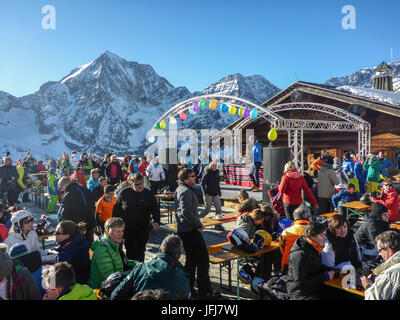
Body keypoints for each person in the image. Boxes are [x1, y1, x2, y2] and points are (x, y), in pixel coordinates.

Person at [173, 168, 220, 299]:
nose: (195, 178)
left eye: (194, 176)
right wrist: (198, 225)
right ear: (185, 179)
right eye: (192, 176)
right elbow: (185, 212)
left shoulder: (181, 189)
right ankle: (205, 291)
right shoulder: (186, 191)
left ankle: (189, 289)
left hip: (185, 230)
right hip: (189, 231)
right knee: (203, 260)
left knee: (191, 261)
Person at [111, 235, 191, 300]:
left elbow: (115, 295)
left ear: (160, 250)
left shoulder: (140, 268)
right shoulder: (184, 279)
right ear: (180, 255)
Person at [112, 173, 160, 262]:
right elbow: (116, 210)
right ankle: (132, 272)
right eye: (137, 184)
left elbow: (155, 209)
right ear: (131, 183)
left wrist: (156, 221)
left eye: (142, 183)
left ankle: (140, 270)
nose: (140, 186)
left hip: (143, 228)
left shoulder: (148, 194)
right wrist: (114, 227)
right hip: (128, 229)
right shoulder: (124, 193)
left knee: (141, 251)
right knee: (131, 252)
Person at [286, 221, 335, 300]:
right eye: (321, 235)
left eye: (325, 235)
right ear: (312, 236)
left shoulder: (314, 247)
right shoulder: (299, 255)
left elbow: (314, 267)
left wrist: (328, 270)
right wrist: (323, 276)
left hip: (313, 287)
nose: (325, 238)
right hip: (299, 292)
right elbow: (301, 283)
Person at [88, 217, 138, 289]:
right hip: (100, 290)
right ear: (107, 232)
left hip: (113, 285)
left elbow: (123, 262)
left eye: (122, 231)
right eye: (117, 231)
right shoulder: (101, 250)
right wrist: (135, 272)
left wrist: (139, 264)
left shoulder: (114, 244)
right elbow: (111, 278)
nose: (121, 234)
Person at [361, 231, 400, 300]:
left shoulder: (389, 275)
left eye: (380, 250)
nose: (379, 254)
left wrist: (368, 287)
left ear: (389, 251)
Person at [57, 177, 96, 245]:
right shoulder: (85, 189)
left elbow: (64, 214)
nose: (61, 190)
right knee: (89, 247)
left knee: (78, 248)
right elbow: (93, 204)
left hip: (77, 227)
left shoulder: (68, 195)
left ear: (65, 185)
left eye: (60, 187)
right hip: (90, 223)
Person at [54, 220, 91, 284]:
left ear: (67, 236)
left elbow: (59, 277)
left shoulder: (66, 256)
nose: (54, 234)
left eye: (57, 233)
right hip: (83, 281)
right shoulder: (78, 241)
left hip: (74, 287)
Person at [279, 205, 312, 273]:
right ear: (309, 217)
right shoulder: (314, 231)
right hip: (308, 268)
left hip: (287, 267)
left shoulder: (285, 232)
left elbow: (282, 251)